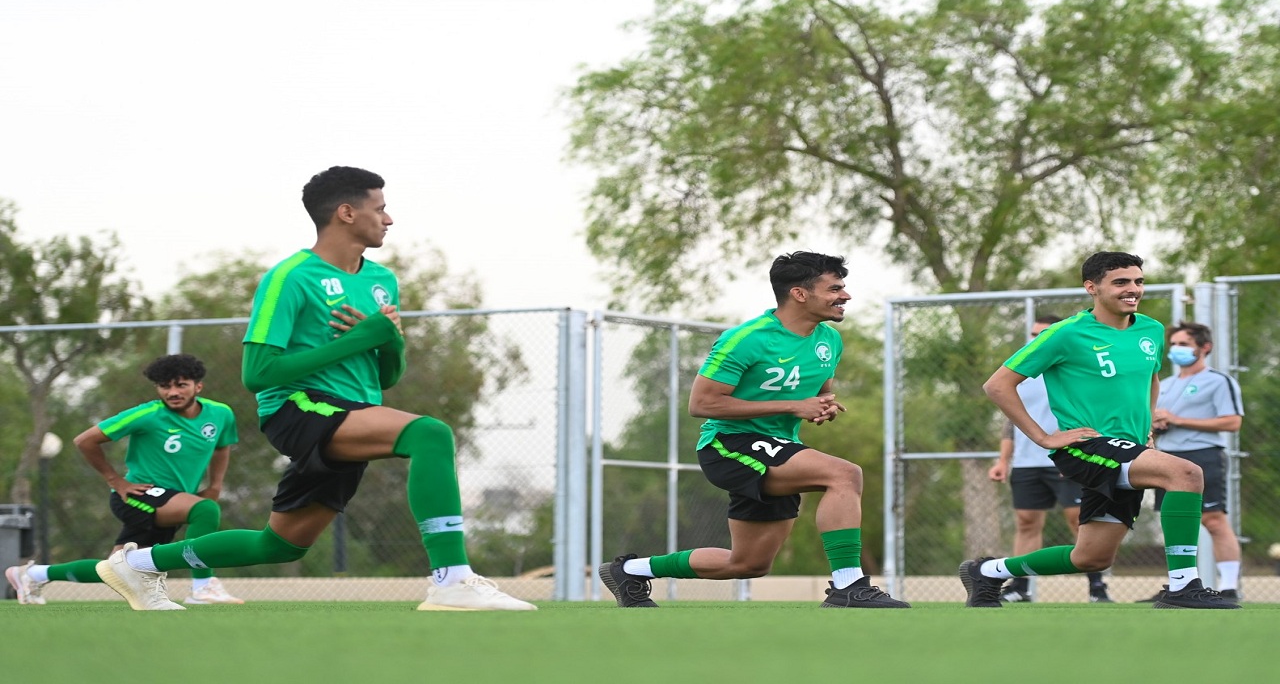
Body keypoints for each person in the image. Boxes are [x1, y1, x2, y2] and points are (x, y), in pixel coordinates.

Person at [92, 165, 534, 611]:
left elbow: (385, 377)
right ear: (346, 213)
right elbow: (258, 373)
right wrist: (358, 339)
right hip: (297, 408)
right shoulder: (290, 277)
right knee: (430, 434)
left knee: (279, 545)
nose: (389, 219)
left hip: (353, 410)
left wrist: (390, 342)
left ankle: (138, 563)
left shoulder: (382, 281)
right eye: (380, 209)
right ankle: (451, 579)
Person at [598, 251, 909, 609]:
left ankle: (630, 571)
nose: (845, 296)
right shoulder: (746, 338)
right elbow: (702, 404)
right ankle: (849, 586)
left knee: (748, 564)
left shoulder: (829, 340)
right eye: (835, 289)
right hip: (728, 445)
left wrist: (823, 404)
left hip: (778, 446)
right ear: (799, 294)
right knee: (844, 475)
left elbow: (820, 391)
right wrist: (793, 406)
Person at [963, 251, 1238, 609]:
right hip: (1088, 446)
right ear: (1091, 287)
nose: (1133, 289)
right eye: (1121, 282)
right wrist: (1043, 437)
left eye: (1138, 281)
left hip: (1131, 448)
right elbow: (997, 385)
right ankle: (1183, 586)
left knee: (1091, 557)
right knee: (1186, 473)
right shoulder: (1065, 334)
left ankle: (988, 572)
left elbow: (1151, 378)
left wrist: (1147, 427)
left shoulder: (1152, 330)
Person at [5, 354, 243, 605]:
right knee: (205, 510)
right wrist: (116, 480)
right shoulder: (148, 414)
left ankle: (33, 575)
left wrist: (215, 485)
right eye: (165, 386)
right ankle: (203, 587)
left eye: (181, 385)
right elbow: (85, 440)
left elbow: (221, 448)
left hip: (171, 501)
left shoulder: (221, 414)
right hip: (137, 495)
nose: (172, 392)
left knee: (119, 569)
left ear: (198, 386)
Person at [987, 315, 1112, 604]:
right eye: (1033, 334)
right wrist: (1003, 461)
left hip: (1068, 459)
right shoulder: (1019, 376)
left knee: (1079, 520)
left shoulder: (1076, 369)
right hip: (1027, 463)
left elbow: (1094, 413)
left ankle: (1097, 588)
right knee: (1026, 522)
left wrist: (1079, 452)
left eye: (1043, 334)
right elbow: (1011, 423)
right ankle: (1021, 586)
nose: (1036, 339)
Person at [1133, 321, 1245, 602]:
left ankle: (1229, 588)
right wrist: (1156, 424)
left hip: (1203, 454)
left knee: (1214, 520)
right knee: (1175, 523)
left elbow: (1232, 422)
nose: (1176, 349)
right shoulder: (1165, 384)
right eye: (1173, 344)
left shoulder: (1219, 381)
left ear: (1204, 347)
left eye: (1183, 344)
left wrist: (1178, 420)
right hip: (1167, 459)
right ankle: (1180, 584)